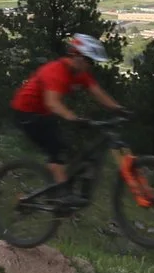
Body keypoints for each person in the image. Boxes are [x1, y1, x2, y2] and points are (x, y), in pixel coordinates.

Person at [9, 33, 122, 194]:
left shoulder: (79, 73)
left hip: (44, 113)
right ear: (76, 56)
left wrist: (118, 108)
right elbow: (52, 102)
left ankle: (58, 185)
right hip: (26, 113)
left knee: (72, 149)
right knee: (57, 152)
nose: (90, 65)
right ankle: (61, 196)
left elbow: (97, 92)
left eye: (92, 62)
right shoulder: (56, 72)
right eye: (89, 60)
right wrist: (72, 117)